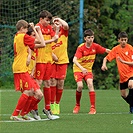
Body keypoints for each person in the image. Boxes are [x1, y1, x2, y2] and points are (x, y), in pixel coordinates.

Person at [10, 20, 46, 121]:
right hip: (20, 68)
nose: (27, 30)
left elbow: (41, 44)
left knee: (38, 94)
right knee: (28, 91)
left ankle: (23, 113)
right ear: (22, 29)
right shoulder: (23, 36)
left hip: (23, 68)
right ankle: (15, 114)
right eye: (26, 28)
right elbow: (40, 42)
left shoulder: (19, 37)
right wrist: (34, 28)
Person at [72, 29, 110, 114]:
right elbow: (74, 60)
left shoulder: (95, 46)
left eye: (92, 37)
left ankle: (93, 108)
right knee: (80, 86)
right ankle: (77, 105)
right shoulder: (81, 48)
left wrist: (117, 52)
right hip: (78, 69)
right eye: (89, 37)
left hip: (88, 70)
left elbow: (106, 50)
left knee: (90, 84)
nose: (91, 39)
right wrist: (82, 69)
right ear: (85, 38)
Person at [101, 31, 133, 113]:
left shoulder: (130, 49)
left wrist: (124, 62)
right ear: (118, 40)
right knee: (123, 95)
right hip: (122, 76)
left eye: (125, 40)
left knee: (131, 85)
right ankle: (132, 104)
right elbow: (106, 58)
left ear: (127, 40)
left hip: (131, 73)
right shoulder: (116, 49)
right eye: (122, 40)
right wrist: (104, 65)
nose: (123, 42)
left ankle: (132, 107)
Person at [35, 10, 59, 119]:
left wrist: (57, 30)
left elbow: (55, 38)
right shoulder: (36, 28)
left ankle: (47, 109)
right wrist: (52, 40)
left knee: (48, 83)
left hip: (48, 59)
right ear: (41, 19)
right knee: (38, 83)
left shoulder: (49, 28)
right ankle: (34, 109)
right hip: (39, 59)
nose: (48, 23)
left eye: (49, 21)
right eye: (46, 20)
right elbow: (39, 43)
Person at [50, 17, 69, 114]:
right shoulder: (50, 34)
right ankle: (52, 104)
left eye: (57, 23)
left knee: (60, 83)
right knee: (53, 82)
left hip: (63, 61)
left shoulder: (64, 32)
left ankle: (57, 104)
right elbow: (46, 46)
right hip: (52, 61)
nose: (56, 25)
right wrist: (52, 55)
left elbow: (66, 25)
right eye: (54, 23)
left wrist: (58, 19)